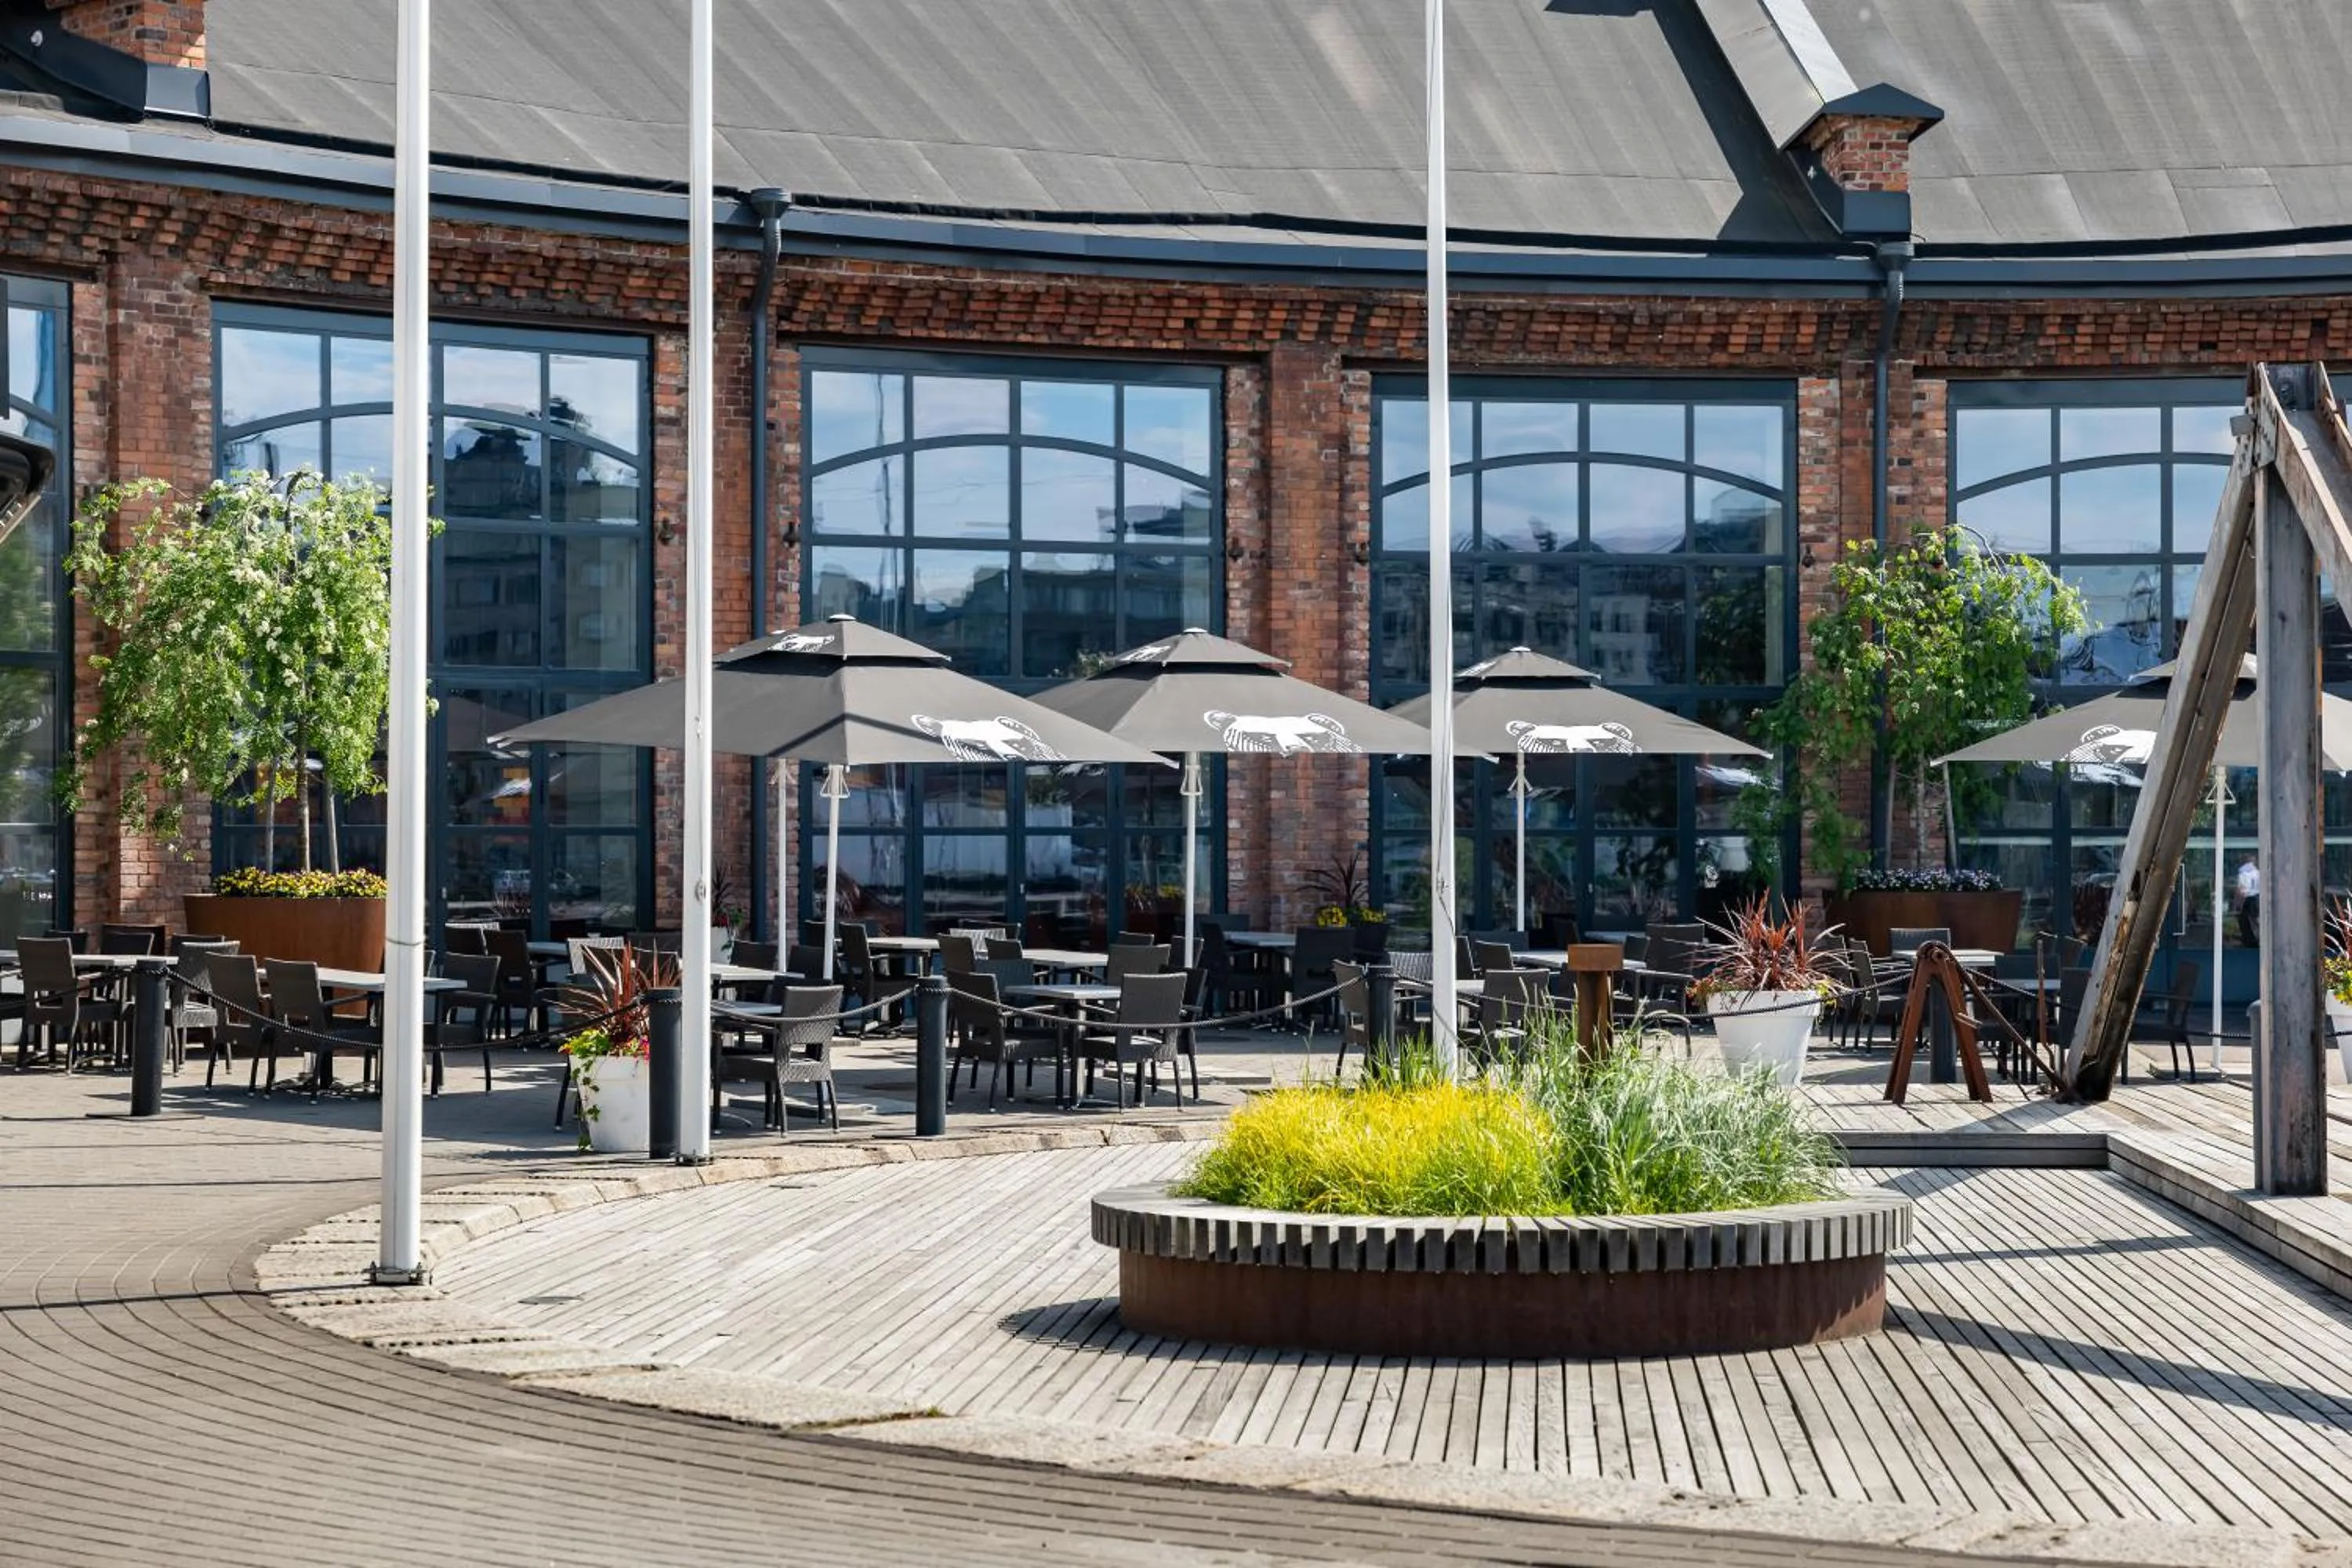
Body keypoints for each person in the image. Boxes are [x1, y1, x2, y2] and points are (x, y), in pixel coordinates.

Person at [2236, 852, 2262, 946]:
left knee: (2245, 919)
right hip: (2257, 898)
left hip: (2248, 899)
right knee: (2256, 920)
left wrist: (2238, 905)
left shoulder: (2243, 872)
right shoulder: (2258, 872)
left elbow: (2240, 891)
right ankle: (2258, 939)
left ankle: (2250, 940)